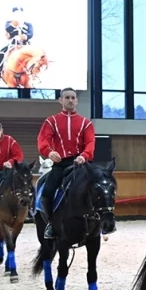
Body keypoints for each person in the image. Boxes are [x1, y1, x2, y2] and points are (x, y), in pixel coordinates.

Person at [37, 87, 96, 239]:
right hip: (60, 163)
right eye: (67, 97)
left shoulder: (85, 123)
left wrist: (84, 155)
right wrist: (49, 152)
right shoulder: (51, 121)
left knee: (99, 186)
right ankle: (50, 223)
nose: (70, 100)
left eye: (72, 97)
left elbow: (90, 142)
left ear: (76, 100)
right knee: (47, 192)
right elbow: (43, 140)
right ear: (60, 100)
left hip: (80, 163)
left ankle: (101, 220)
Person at [0, 7, 34, 82]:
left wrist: (25, 37)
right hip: (13, 44)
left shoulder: (28, 24)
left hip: (26, 44)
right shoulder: (9, 23)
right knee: (1, 54)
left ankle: (34, 74)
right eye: (16, 14)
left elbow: (31, 34)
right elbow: (7, 32)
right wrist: (13, 25)